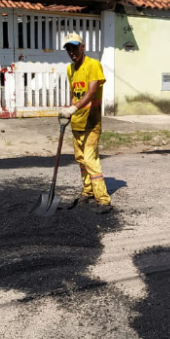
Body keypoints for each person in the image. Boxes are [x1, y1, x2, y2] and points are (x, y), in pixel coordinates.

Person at [58, 33, 112, 214]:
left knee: (90, 159)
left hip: (92, 121)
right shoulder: (70, 69)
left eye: (74, 47)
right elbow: (74, 93)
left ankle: (103, 200)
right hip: (77, 122)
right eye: (68, 48)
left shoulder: (93, 65)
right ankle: (88, 191)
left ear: (83, 47)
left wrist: (73, 109)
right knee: (81, 159)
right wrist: (69, 110)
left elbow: (91, 91)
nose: (71, 52)